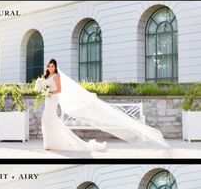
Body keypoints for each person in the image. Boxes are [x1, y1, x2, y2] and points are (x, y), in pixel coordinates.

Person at [35, 59, 168, 152]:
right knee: (48, 121)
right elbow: (45, 87)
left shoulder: (56, 76)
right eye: (49, 66)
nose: (50, 68)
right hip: (48, 99)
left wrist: (48, 91)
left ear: (55, 67)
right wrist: (43, 90)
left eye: (52, 66)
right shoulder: (46, 77)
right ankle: (49, 143)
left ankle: (50, 143)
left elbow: (60, 90)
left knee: (47, 119)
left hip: (53, 99)